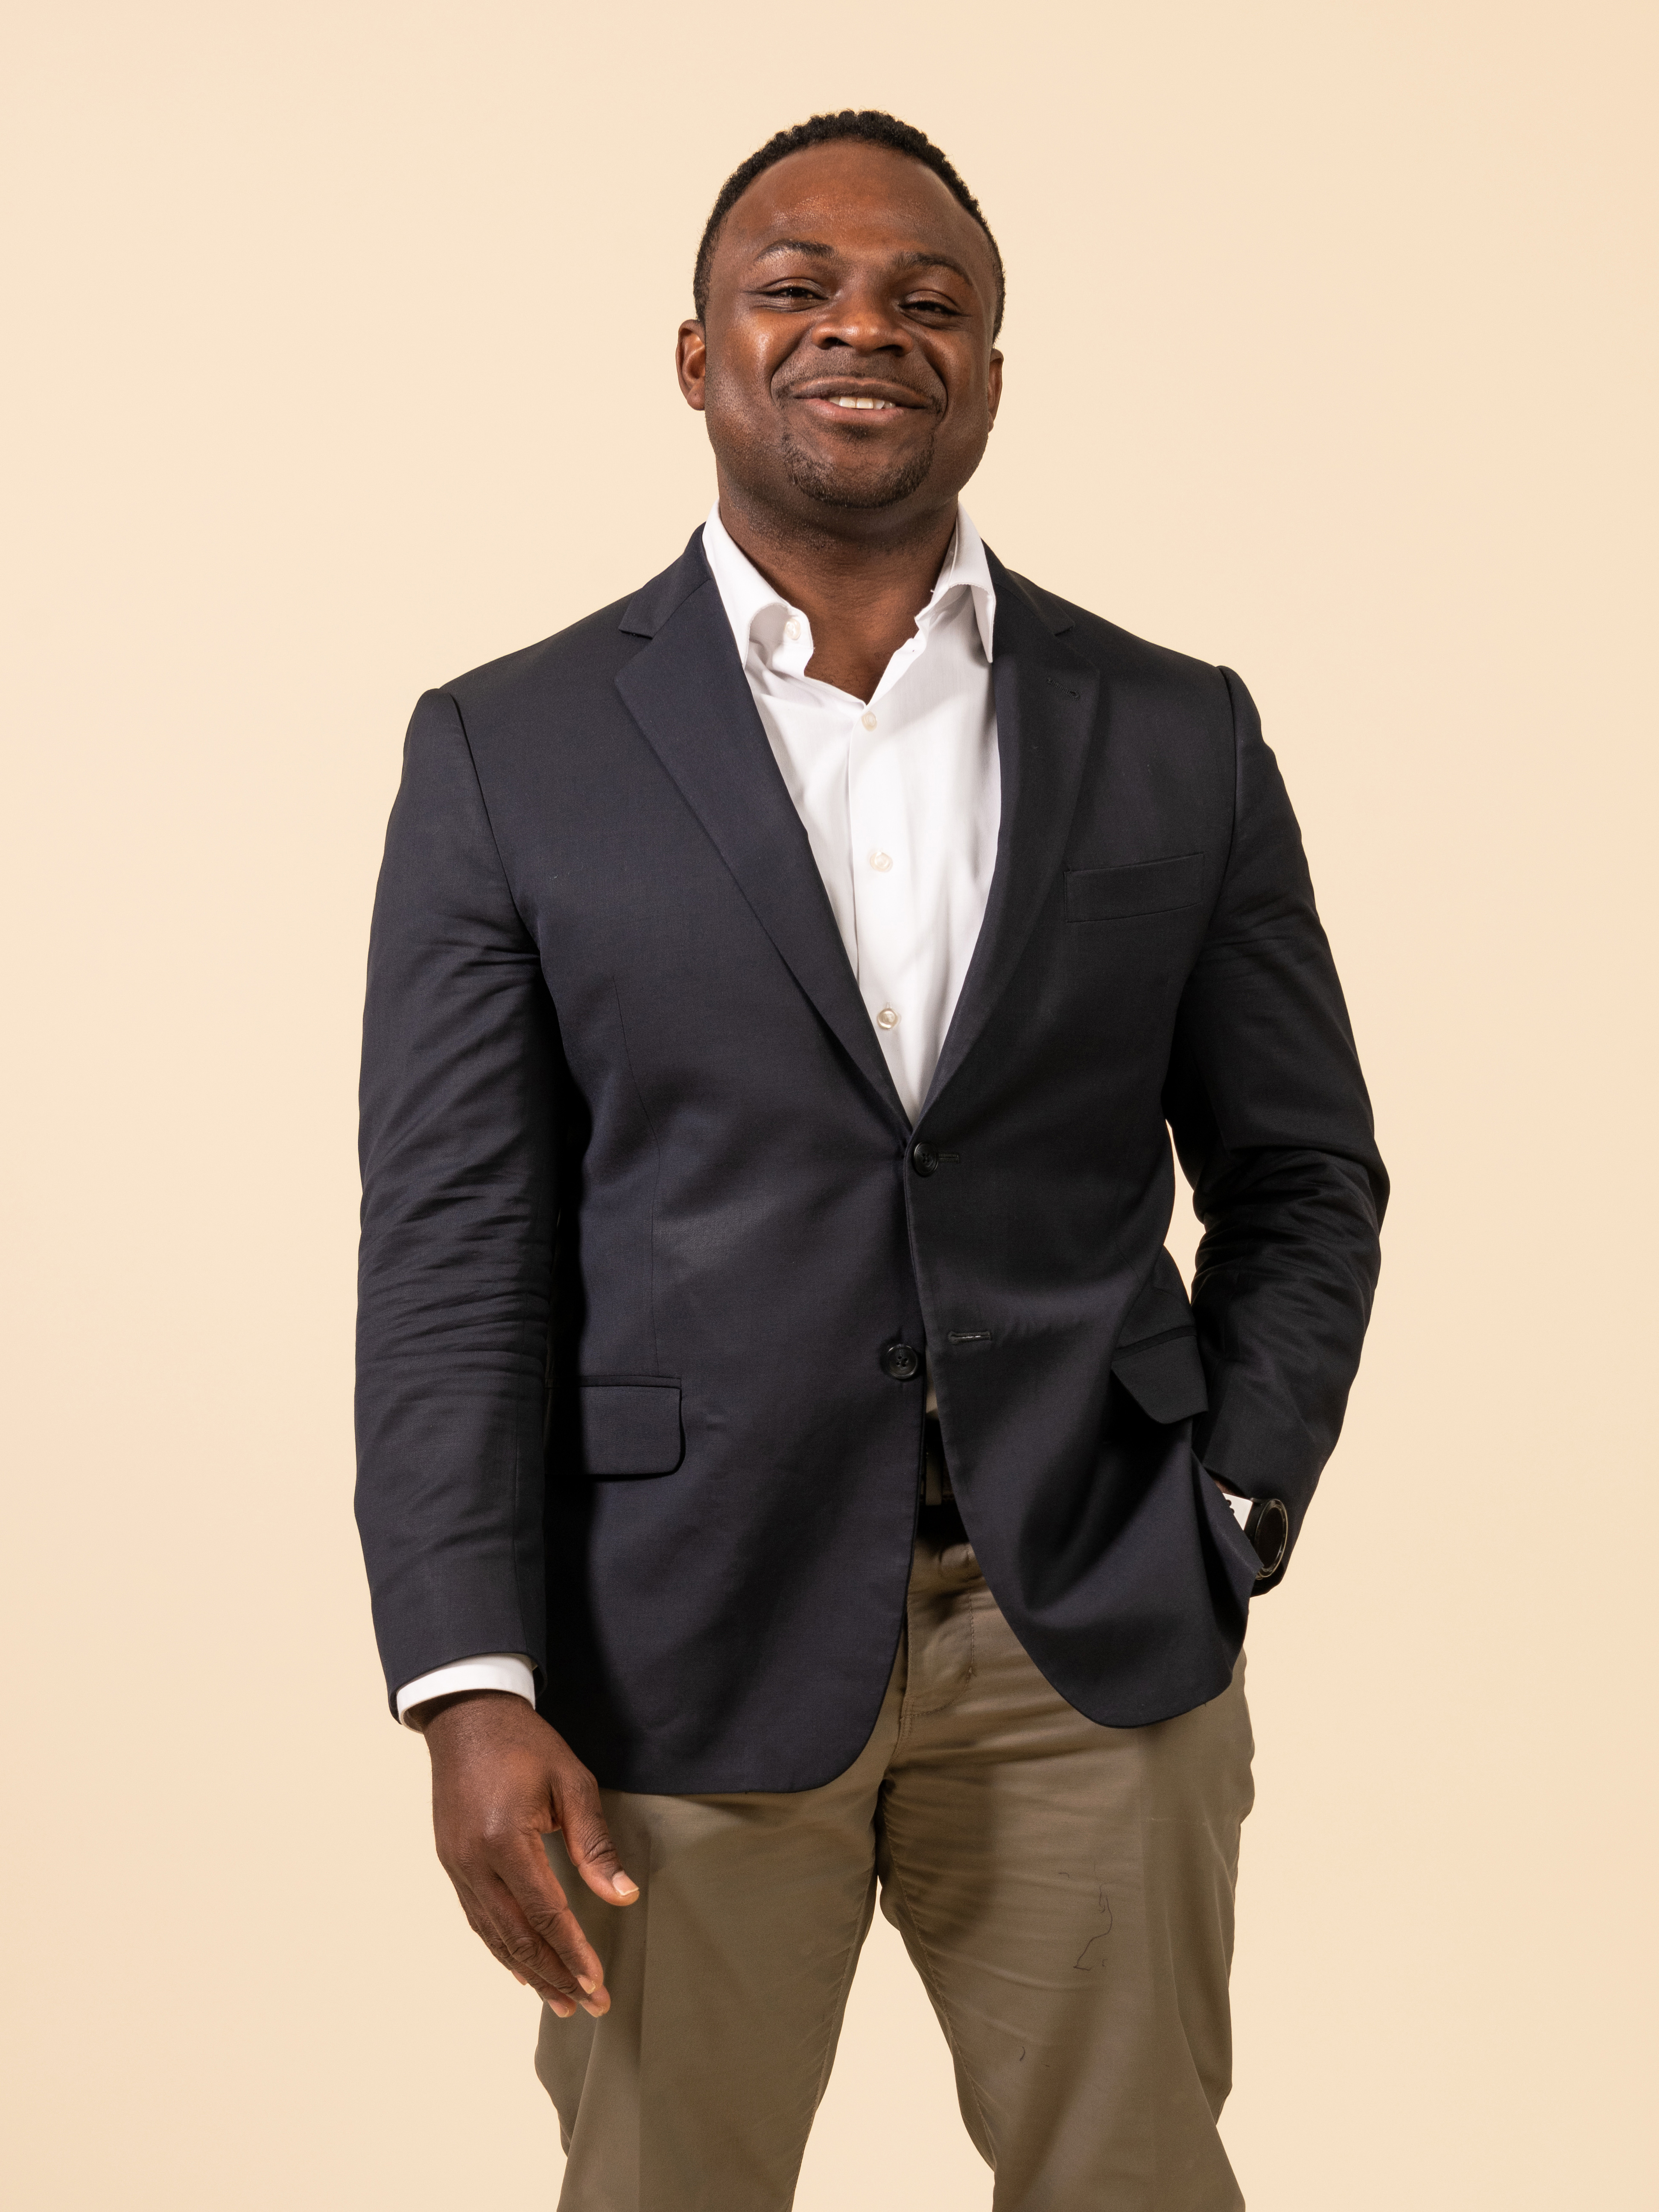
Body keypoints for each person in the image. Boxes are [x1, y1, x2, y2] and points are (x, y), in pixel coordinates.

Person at [355, 108, 1385, 2211]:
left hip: (1094, 1621)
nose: (866, 327)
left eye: (932, 299)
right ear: (697, 355)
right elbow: (458, 1245)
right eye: (795, 288)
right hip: (673, 1638)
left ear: (991, 370)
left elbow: (1304, 1170)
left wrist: (1235, 1499)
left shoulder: (1173, 729)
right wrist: (469, 1679)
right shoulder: (508, 748)